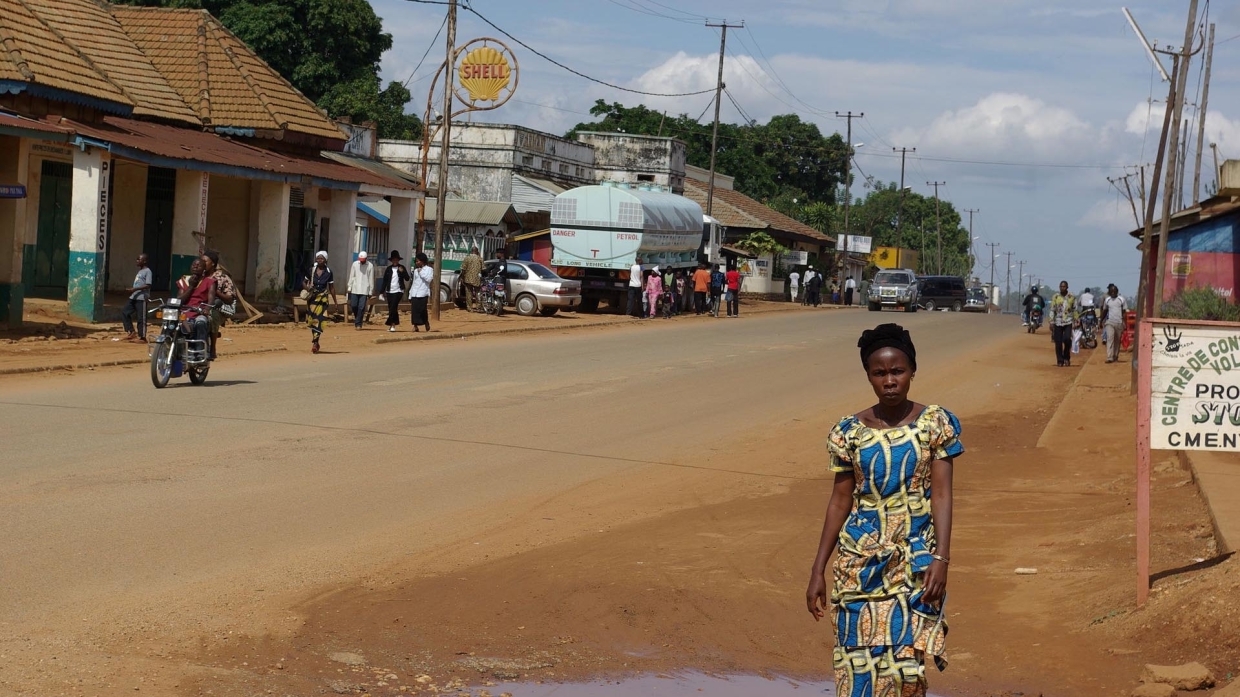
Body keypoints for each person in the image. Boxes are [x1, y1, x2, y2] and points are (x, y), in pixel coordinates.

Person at [806, 323, 961, 697]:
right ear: (869, 376)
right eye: (880, 373)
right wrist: (818, 568)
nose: (889, 381)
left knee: (907, 668)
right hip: (857, 566)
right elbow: (840, 500)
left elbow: (941, 495)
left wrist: (941, 557)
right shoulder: (848, 433)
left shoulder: (934, 424)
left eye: (898, 371)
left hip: (914, 564)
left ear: (912, 372)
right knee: (855, 663)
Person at [178, 258, 217, 351]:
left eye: (198, 265)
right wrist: (191, 286)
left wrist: (207, 309)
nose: (195, 266)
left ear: (204, 269)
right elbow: (180, 300)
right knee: (172, 324)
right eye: (193, 265)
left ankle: (200, 352)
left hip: (200, 312)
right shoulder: (184, 280)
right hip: (184, 312)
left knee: (200, 323)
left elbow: (211, 299)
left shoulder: (210, 282)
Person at [202, 250, 234, 360]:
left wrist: (216, 292)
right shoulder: (198, 277)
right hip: (199, 307)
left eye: (205, 261)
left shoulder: (223, 278)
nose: (202, 264)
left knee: (212, 313)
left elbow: (229, 299)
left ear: (213, 264)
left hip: (219, 308)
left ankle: (212, 349)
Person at [302, 251, 337, 354]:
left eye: (321, 258)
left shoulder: (329, 272)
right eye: (318, 258)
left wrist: (335, 302)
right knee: (312, 320)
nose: (319, 260)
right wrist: (308, 288)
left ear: (326, 260)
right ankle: (316, 341)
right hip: (312, 299)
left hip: (322, 299)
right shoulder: (311, 270)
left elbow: (331, 288)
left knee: (320, 320)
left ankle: (315, 342)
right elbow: (303, 282)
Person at [121, 253, 152, 344]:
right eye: (137, 259)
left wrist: (135, 289)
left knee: (141, 318)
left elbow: (148, 285)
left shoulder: (148, 271)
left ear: (144, 261)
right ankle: (131, 331)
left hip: (142, 298)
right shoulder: (140, 271)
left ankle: (142, 337)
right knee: (125, 312)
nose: (137, 261)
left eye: (139, 259)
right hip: (134, 296)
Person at [1049, 280, 1078, 367]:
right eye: (1061, 286)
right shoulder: (1056, 297)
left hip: (1068, 321)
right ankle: (1060, 360)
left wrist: (1077, 320)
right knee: (1058, 342)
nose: (1062, 288)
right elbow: (1052, 309)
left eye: (1064, 286)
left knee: (1067, 339)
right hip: (1057, 322)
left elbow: (1075, 310)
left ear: (1067, 287)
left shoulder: (1071, 296)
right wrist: (1051, 321)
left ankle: (1066, 357)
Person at [380, 250, 410, 332]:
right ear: (391, 260)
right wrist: (381, 292)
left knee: (393, 306)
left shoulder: (402, 267)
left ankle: (392, 324)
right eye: (393, 260)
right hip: (390, 291)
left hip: (399, 290)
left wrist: (402, 272)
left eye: (396, 260)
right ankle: (392, 324)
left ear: (398, 260)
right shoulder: (388, 269)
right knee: (391, 308)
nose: (395, 261)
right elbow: (385, 281)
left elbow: (407, 278)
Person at [346, 251, 375, 330]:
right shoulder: (355, 264)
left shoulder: (370, 266)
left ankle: (358, 323)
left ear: (366, 259)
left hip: (364, 290)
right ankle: (358, 319)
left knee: (361, 307)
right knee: (354, 305)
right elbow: (352, 275)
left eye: (363, 260)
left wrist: (370, 291)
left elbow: (371, 279)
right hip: (355, 289)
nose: (361, 261)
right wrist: (349, 286)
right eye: (360, 260)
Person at [1100, 284, 1127, 364]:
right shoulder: (1107, 300)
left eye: (1114, 291)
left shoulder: (1121, 299)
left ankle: (1115, 356)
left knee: (1117, 340)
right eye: (1111, 291)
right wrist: (1101, 321)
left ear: (1117, 292)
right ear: (1109, 292)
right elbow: (1105, 311)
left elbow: (1124, 312)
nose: (1113, 293)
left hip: (1119, 322)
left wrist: (1124, 322)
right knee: (1110, 338)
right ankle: (1109, 357)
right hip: (1110, 322)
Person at [409, 252, 434, 332]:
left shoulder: (429, 269)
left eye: (418, 261)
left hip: (423, 293)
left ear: (422, 261)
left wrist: (421, 272)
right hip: (415, 293)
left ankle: (425, 322)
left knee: (422, 310)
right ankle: (415, 326)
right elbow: (414, 283)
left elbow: (428, 279)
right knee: (414, 310)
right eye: (416, 261)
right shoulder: (416, 271)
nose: (417, 263)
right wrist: (410, 294)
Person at [460, 246, 484, 312]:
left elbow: (463, 269)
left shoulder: (467, 258)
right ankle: (479, 307)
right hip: (477, 279)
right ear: (477, 251)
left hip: (468, 279)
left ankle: (469, 308)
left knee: (469, 293)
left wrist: (462, 277)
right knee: (478, 293)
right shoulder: (480, 259)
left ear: (471, 251)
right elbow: (483, 269)